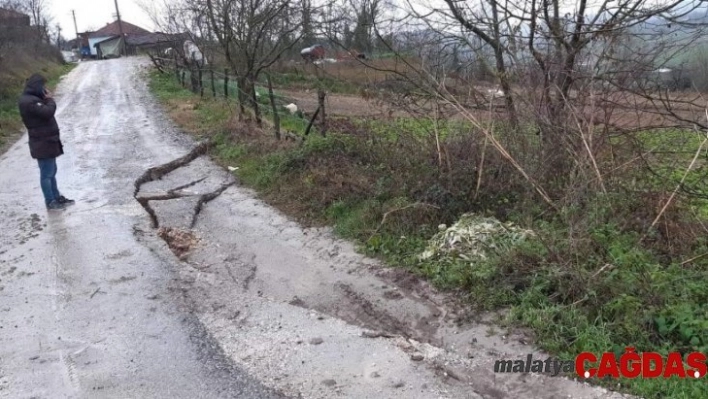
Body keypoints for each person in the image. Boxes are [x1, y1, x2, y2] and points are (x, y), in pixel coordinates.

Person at [18, 74, 74, 210]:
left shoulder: (33, 99)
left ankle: (56, 197)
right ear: (37, 86)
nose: (45, 89)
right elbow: (48, 112)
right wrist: (50, 100)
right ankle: (50, 201)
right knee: (47, 173)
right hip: (41, 141)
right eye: (42, 86)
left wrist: (46, 99)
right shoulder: (28, 101)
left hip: (47, 140)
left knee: (51, 171)